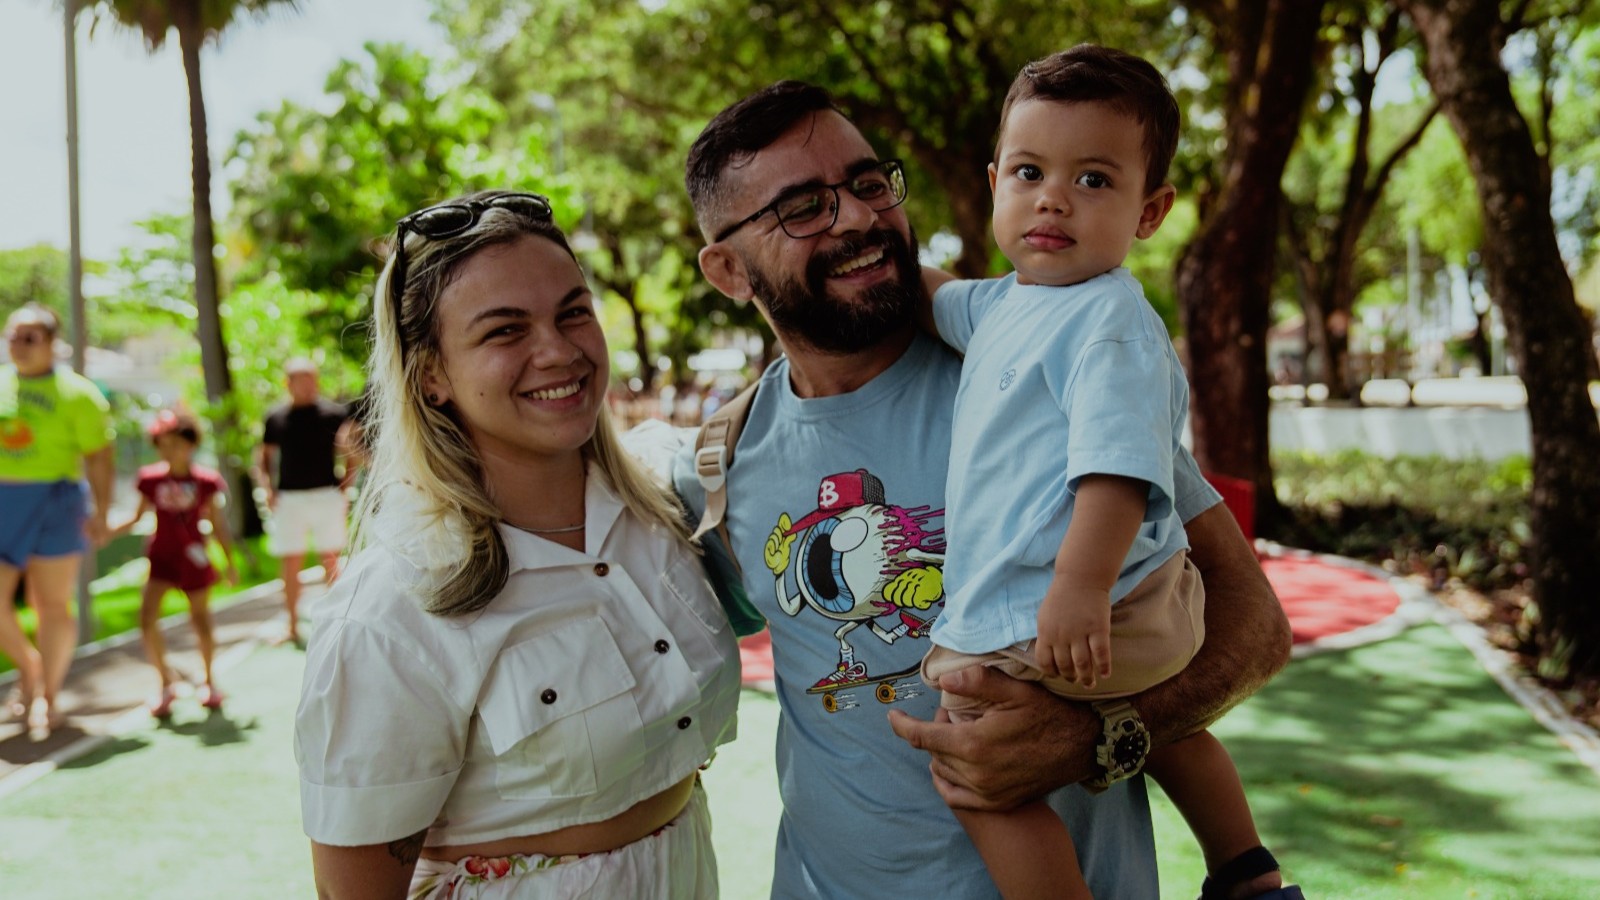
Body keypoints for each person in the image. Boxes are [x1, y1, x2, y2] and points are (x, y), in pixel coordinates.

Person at [676, 81, 1292, 898]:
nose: (859, 218)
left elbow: (1256, 628)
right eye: (803, 208)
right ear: (725, 268)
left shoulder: (1038, 372)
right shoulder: (721, 463)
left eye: (867, 185)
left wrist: (1095, 736)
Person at [916, 45, 1298, 900]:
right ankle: (1247, 869)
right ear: (993, 184)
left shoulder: (1111, 321)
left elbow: (1119, 471)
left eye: (1093, 180)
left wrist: (1076, 587)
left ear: (1150, 209)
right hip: (1115, 606)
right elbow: (932, 294)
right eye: (1028, 171)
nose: (1052, 197)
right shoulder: (1005, 303)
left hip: (1088, 599)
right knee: (1169, 726)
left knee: (979, 772)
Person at [294, 190, 741, 898]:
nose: (559, 351)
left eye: (574, 312)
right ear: (432, 375)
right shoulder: (396, 608)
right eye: (505, 331)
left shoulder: (661, 506)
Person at [0, 303, 115, 734]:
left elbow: (100, 457)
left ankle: (48, 694)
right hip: (3, 500)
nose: (20, 345)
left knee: (50, 604)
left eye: (31, 337)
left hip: (57, 501)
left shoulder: (79, 393)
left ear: (52, 344)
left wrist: (102, 512)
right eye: (14, 335)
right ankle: (30, 667)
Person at [110, 408, 239, 717]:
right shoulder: (150, 479)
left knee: (201, 619)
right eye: (163, 445)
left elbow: (219, 524)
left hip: (193, 559)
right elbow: (136, 516)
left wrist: (229, 562)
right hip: (161, 558)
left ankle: (209, 680)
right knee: (146, 619)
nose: (170, 451)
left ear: (190, 444)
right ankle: (164, 682)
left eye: (176, 444)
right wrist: (106, 531)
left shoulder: (206, 481)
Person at [253, 357, 356, 644]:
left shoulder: (334, 413)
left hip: (327, 494)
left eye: (312, 378)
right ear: (288, 384)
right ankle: (292, 625)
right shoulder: (276, 417)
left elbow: (351, 449)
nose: (309, 385)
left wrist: (346, 485)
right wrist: (267, 489)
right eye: (301, 379)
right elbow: (263, 458)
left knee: (332, 558)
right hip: (290, 499)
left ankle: (341, 622)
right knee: (291, 561)